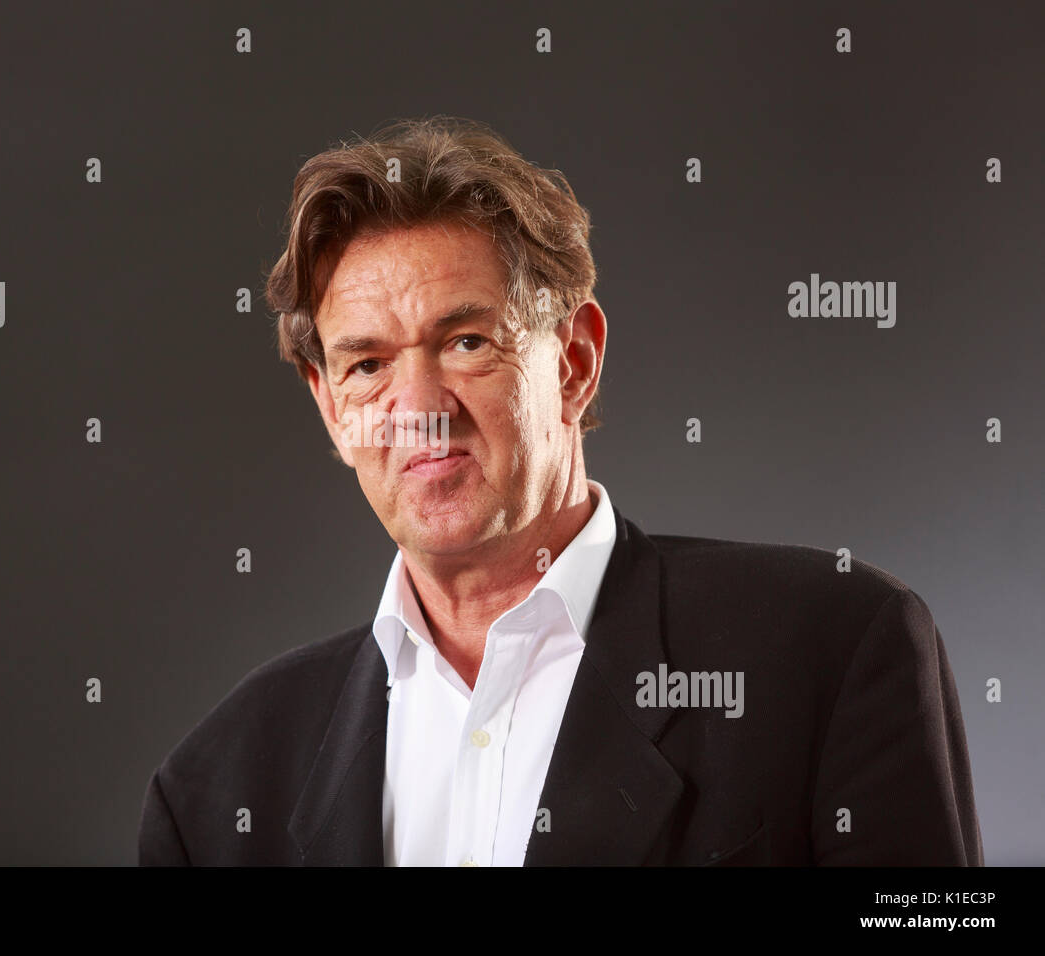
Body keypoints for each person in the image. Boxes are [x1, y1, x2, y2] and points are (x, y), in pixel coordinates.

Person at [138, 116, 982, 866]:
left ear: (574, 361)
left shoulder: (830, 651)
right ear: (329, 405)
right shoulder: (216, 788)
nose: (420, 412)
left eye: (466, 342)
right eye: (367, 365)